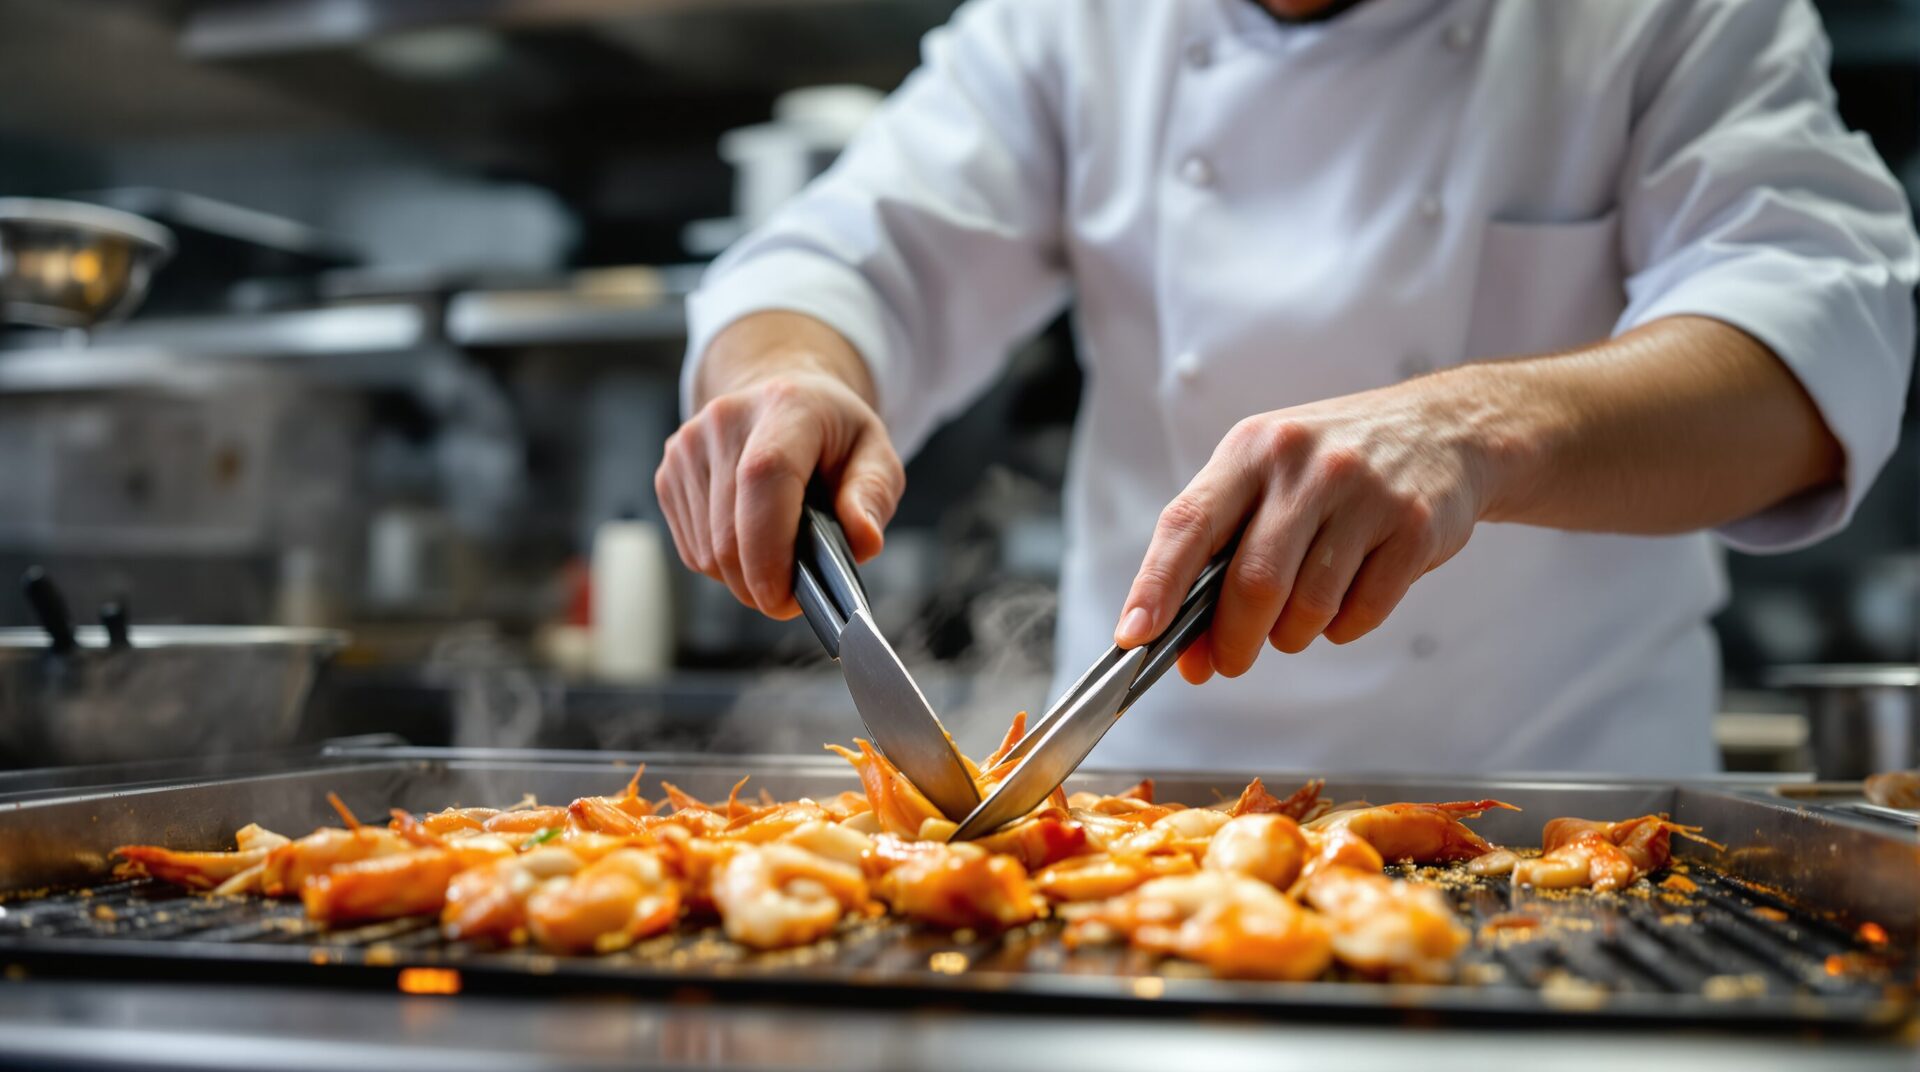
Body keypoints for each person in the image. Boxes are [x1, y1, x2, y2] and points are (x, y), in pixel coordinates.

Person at [655, 0, 1918, 775]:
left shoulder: (1667, 13)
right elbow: (836, 259)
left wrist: (1472, 431)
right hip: (1137, 826)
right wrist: (781, 380)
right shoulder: (1068, 25)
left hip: (1563, 813)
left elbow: (1818, 339)